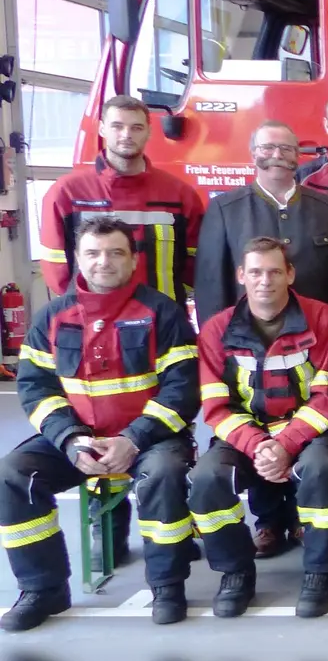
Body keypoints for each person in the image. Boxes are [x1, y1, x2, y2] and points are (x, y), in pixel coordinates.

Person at [2, 219, 199, 630]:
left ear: (132, 260)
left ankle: (167, 585)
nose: (103, 262)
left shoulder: (162, 314)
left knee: (162, 474)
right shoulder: (52, 318)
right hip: (77, 440)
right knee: (12, 475)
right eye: (93, 253)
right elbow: (36, 388)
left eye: (115, 253)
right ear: (78, 258)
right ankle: (43, 589)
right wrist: (72, 439)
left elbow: (182, 390)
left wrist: (133, 439)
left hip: (150, 439)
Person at [189, 238, 328, 619]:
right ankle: (235, 573)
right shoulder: (215, 330)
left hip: (311, 430)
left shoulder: (325, 320)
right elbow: (215, 406)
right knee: (207, 478)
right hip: (247, 434)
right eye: (256, 272)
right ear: (241, 275)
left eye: (275, 271)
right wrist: (261, 444)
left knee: (320, 470)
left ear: (290, 274)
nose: (265, 281)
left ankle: (320, 574)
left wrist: (287, 443)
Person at [39, 95, 205, 304]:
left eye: (136, 127)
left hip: (162, 325)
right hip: (94, 324)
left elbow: (197, 264)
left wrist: (168, 310)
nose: (126, 134)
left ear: (149, 132)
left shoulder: (180, 195)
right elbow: (56, 269)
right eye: (117, 126)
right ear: (102, 129)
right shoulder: (67, 193)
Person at [195, 120, 328, 324]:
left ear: (297, 155)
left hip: (317, 333)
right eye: (267, 148)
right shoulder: (224, 210)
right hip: (248, 337)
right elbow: (211, 287)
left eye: (286, 148)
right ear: (253, 154)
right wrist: (215, 341)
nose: (277, 155)